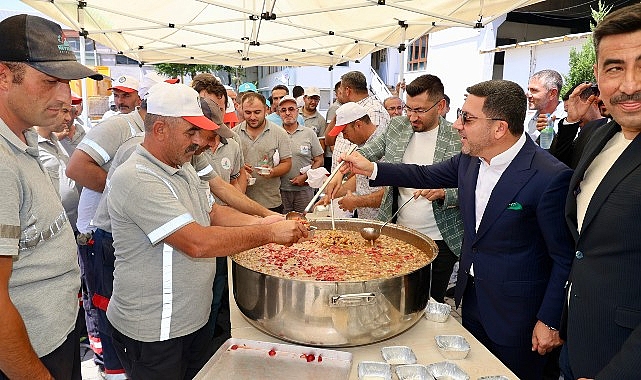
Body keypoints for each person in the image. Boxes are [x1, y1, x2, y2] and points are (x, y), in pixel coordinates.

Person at [338, 79, 574, 380]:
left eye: (468, 118)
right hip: (474, 302)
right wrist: (371, 168)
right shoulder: (470, 160)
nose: (457, 125)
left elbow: (564, 257)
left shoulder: (548, 177)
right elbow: (423, 174)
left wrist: (549, 319)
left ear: (499, 128)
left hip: (520, 317)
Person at [105, 82, 306, 380]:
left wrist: (265, 222)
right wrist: (269, 235)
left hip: (190, 320)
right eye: (191, 132)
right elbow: (196, 242)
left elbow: (212, 212)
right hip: (156, 330)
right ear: (159, 129)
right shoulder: (137, 177)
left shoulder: (182, 165)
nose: (199, 141)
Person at [0, 14, 103, 379]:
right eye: (49, 81)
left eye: (66, 83)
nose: (64, 96)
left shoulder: (24, 140)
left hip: (52, 337)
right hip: (27, 358)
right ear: (3, 77)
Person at [330, 74, 463, 304]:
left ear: (440, 106)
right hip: (400, 232)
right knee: (397, 299)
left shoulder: (456, 138)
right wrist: (340, 172)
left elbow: (475, 186)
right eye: (408, 109)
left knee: (432, 301)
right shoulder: (397, 126)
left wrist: (445, 193)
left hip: (441, 238)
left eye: (419, 110)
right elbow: (368, 151)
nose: (412, 117)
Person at [561, 4, 641, 379]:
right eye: (615, 68)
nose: (629, 85)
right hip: (578, 342)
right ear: (596, 75)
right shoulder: (600, 135)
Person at [67, 76, 148, 380]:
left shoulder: (142, 129)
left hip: (121, 230)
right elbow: (75, 168)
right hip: (95, 231)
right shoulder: (118, 126)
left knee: (119, 304)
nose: (120, 99)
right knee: (101, 302)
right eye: (118, 93)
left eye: (126, 94)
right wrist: (126, 193)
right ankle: (107, 367)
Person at [326, 102, 385, 219]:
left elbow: (391, 193)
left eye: (345, 132)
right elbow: (361, 178)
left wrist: (357, 201)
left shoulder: (384, 145)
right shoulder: (362, 145)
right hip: (366, 219)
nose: (344, 137)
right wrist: (335, 193)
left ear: (358, 125)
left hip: (383, 222)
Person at [236, 92, 293, 213]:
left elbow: (287, 163)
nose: (252, 117)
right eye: (248, 112)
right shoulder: (234, 134)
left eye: (257, 112)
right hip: (241, 202)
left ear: (266, 110)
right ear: (241, 110)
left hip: (270, 201)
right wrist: (240, 169)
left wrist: (273, 171)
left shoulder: (279, 133)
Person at [326, 70, 390, 171]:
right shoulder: (347, 110)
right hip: (343, 176)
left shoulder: (374, 111)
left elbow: (373, 153)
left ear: (347, 90)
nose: (338, 95)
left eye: (340, 91)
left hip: (356, 178)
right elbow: (329, 140)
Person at [278, 95, 324, 213]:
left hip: (304, 190)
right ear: (279, 113)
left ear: (297, 111)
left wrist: (306, 176)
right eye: (283, 110)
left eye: (291, 109)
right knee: (283, 224)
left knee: (305, 222)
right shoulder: (275, 133)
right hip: (280, 190)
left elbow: (319, 159)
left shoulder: (309, 133)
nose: (288, 113)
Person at [549, 83, 608, 169]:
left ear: (594, 101)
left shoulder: (617, 130)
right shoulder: (578, 138)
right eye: (567, 112)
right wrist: (571, 121)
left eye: (575, 109)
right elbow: (558, 162)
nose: (573, 114)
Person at [526, 69, 567, 142]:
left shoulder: (568, 120)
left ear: (552, 93)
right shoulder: (527, 119)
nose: (528, 95)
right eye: (528, 89)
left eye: (534, 90)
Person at [323, 81, 342, 171]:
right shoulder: (335, 108)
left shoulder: (343, 107)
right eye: (340, 92)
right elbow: (329, 131)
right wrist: (335, 153)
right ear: (336, 93)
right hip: (332, 155)